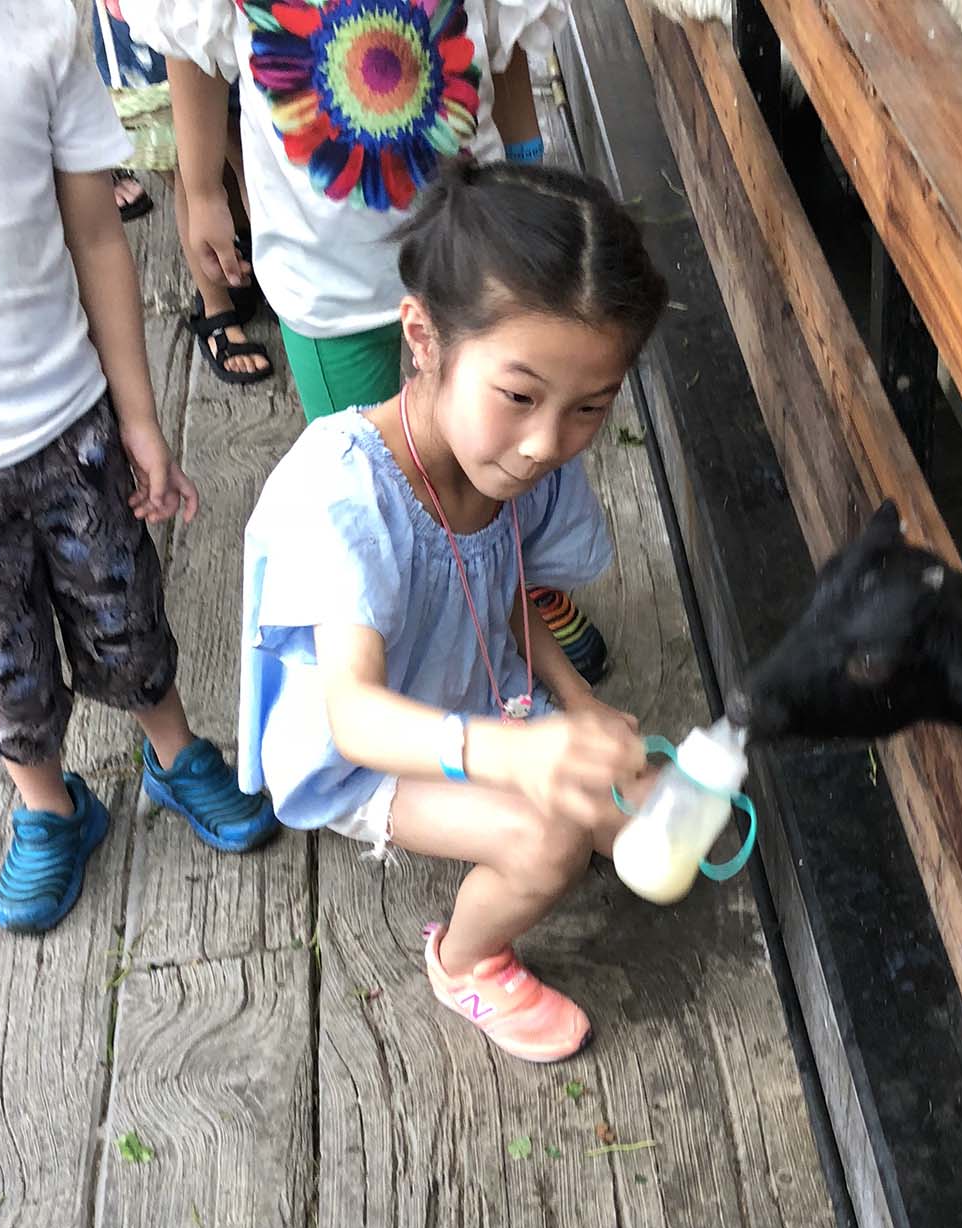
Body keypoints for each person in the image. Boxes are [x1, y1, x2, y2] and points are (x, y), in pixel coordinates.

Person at [241, 161, 667, 1064]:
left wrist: (578, 704)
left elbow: (502, 591)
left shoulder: (513, 460)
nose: (545, 443)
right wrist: (516, 753)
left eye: (590, 407)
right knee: (549, 843)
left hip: (483, 702)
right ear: (424, 337)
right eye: (519, 396)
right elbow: (355, 717)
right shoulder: (345, 492)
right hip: (370, 758)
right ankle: (466, 960)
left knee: (637, 806)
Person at [123, 0, 615, 683]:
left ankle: (511, 585)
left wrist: (531, 164)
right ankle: (406, 622)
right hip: (325, 277)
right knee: (372, 481)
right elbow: (195, 51)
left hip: (477, 253)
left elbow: (501, 42)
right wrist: (203, 187)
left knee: (506, 435)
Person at [0, 0, 279, 935]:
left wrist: (141, 420)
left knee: (123, 611)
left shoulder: (40, 25)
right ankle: (49, 809)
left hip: (65, 415)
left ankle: (175, 753)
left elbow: (95, 233)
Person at [92, 0, 276, 385]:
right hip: (157, 24)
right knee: (187, 160)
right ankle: (215, 307)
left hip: (239, 22)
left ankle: (253, 262)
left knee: (242, 138)